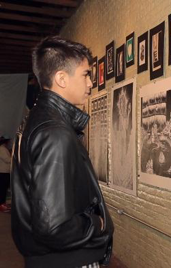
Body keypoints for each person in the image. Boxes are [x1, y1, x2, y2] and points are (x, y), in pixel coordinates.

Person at [11, 36, 114, 268]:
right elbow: (53, 227)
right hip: (68, 261)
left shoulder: (38, 121)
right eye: (86, 74)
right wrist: (96, 224)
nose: (90, 83)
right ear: (61, 79)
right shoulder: (54, 133)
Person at [0, 137, 11, 213]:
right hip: (3, 172)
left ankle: (3, 204)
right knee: (2, 189)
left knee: (4, 189)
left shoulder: (3, 148)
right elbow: (8, 160)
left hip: (5, 172)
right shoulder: (2, 149)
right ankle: (1, 205)